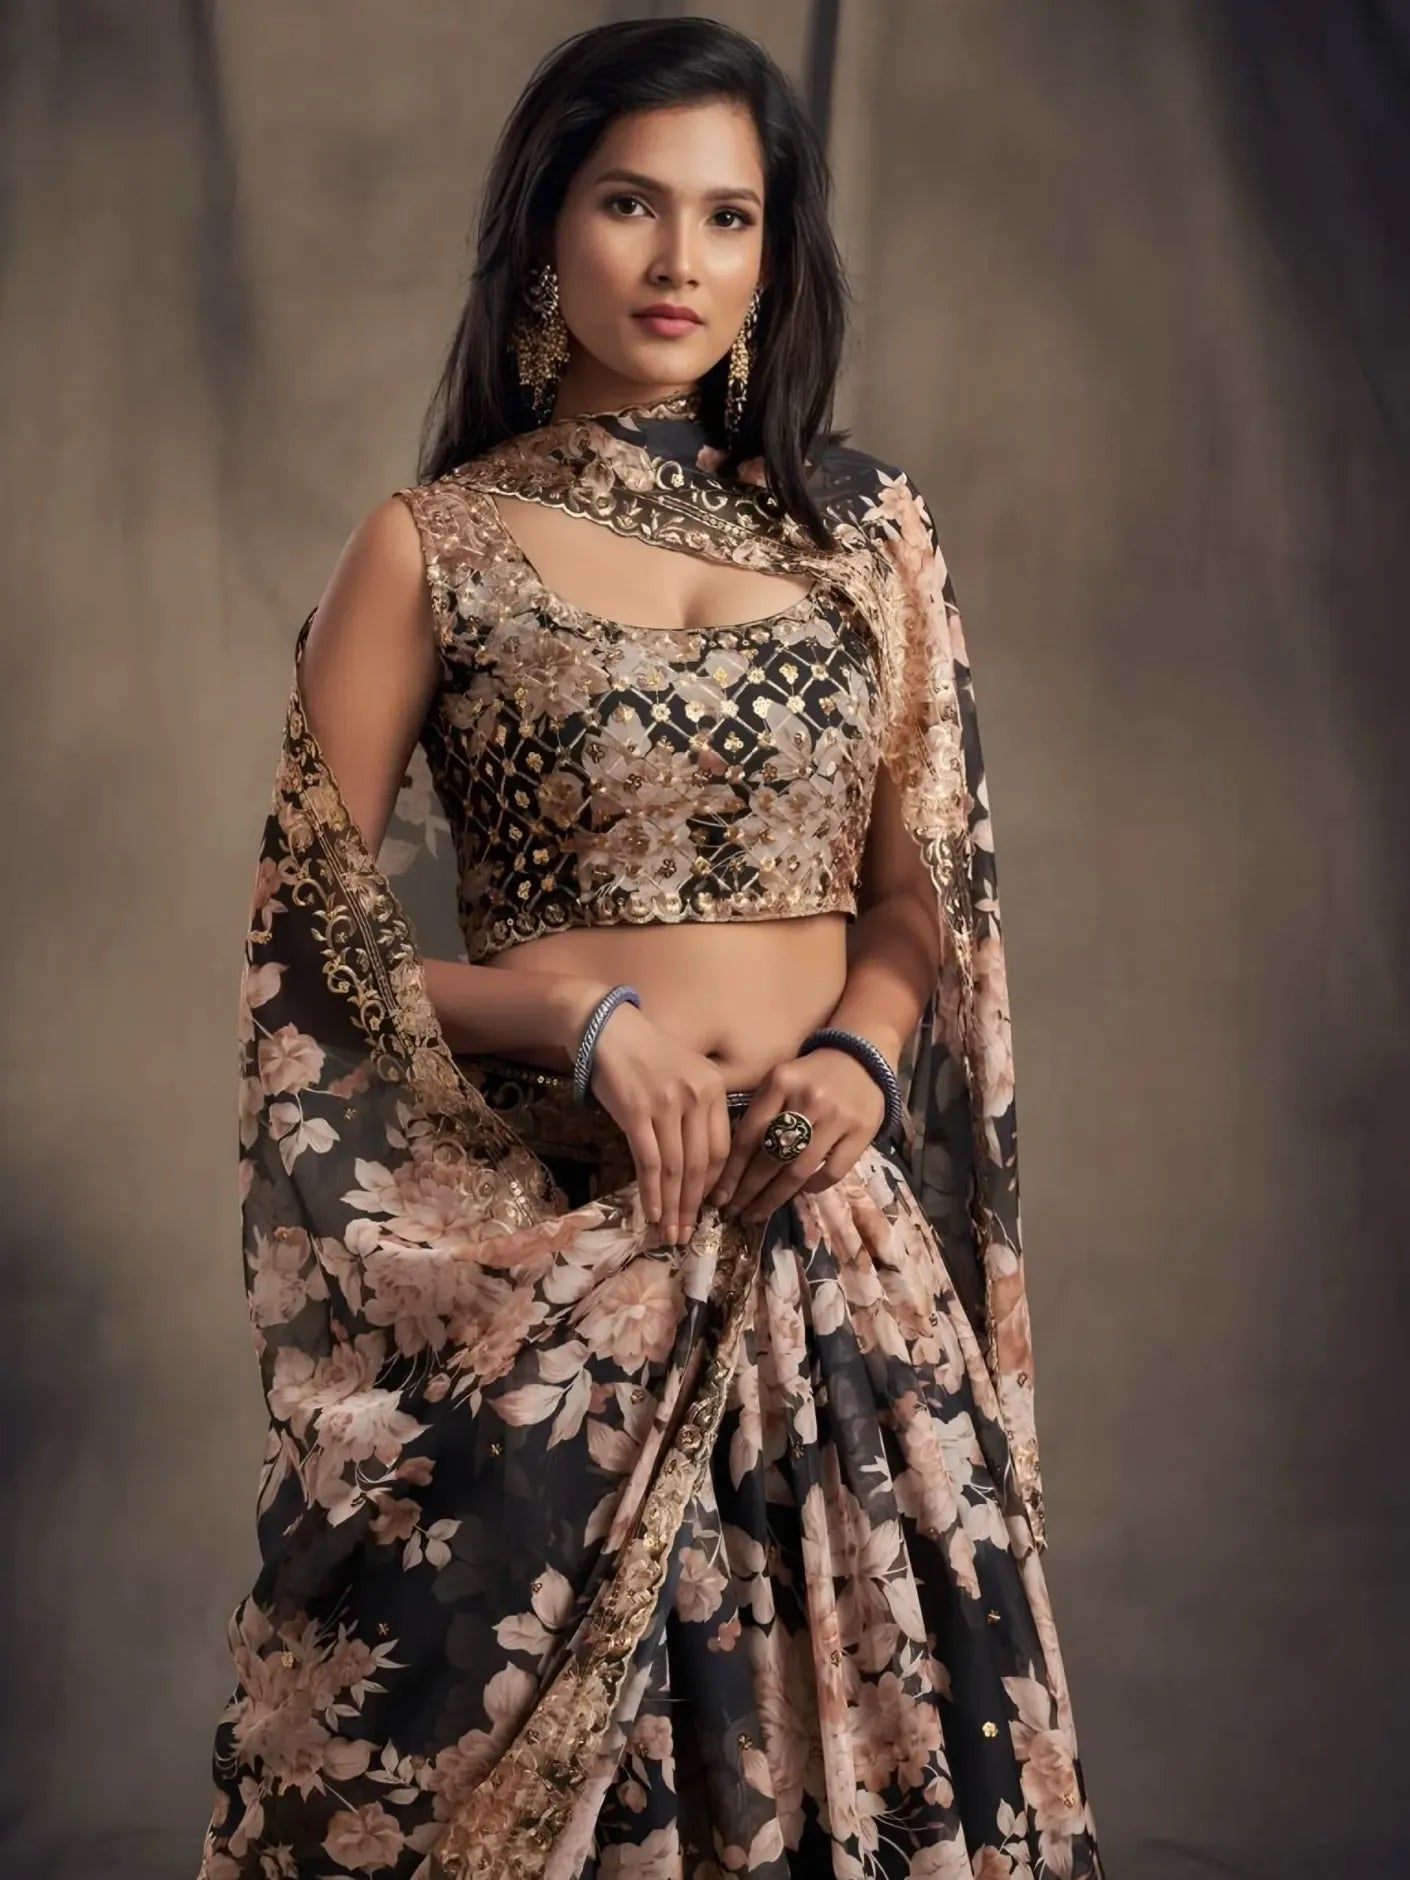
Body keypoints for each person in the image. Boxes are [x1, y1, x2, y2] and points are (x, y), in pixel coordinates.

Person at [198, 17, 1101, 1880]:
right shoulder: (429, 545)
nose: (680, 262)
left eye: (727, 216)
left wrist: (858, 1048)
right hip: (569, 1268)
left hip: (836, 1254)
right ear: (547, 231)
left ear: (776, 256)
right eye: (631, 204)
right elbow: (311, 936)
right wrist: (566, 1011)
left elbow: (917, 891)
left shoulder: (867, 538)